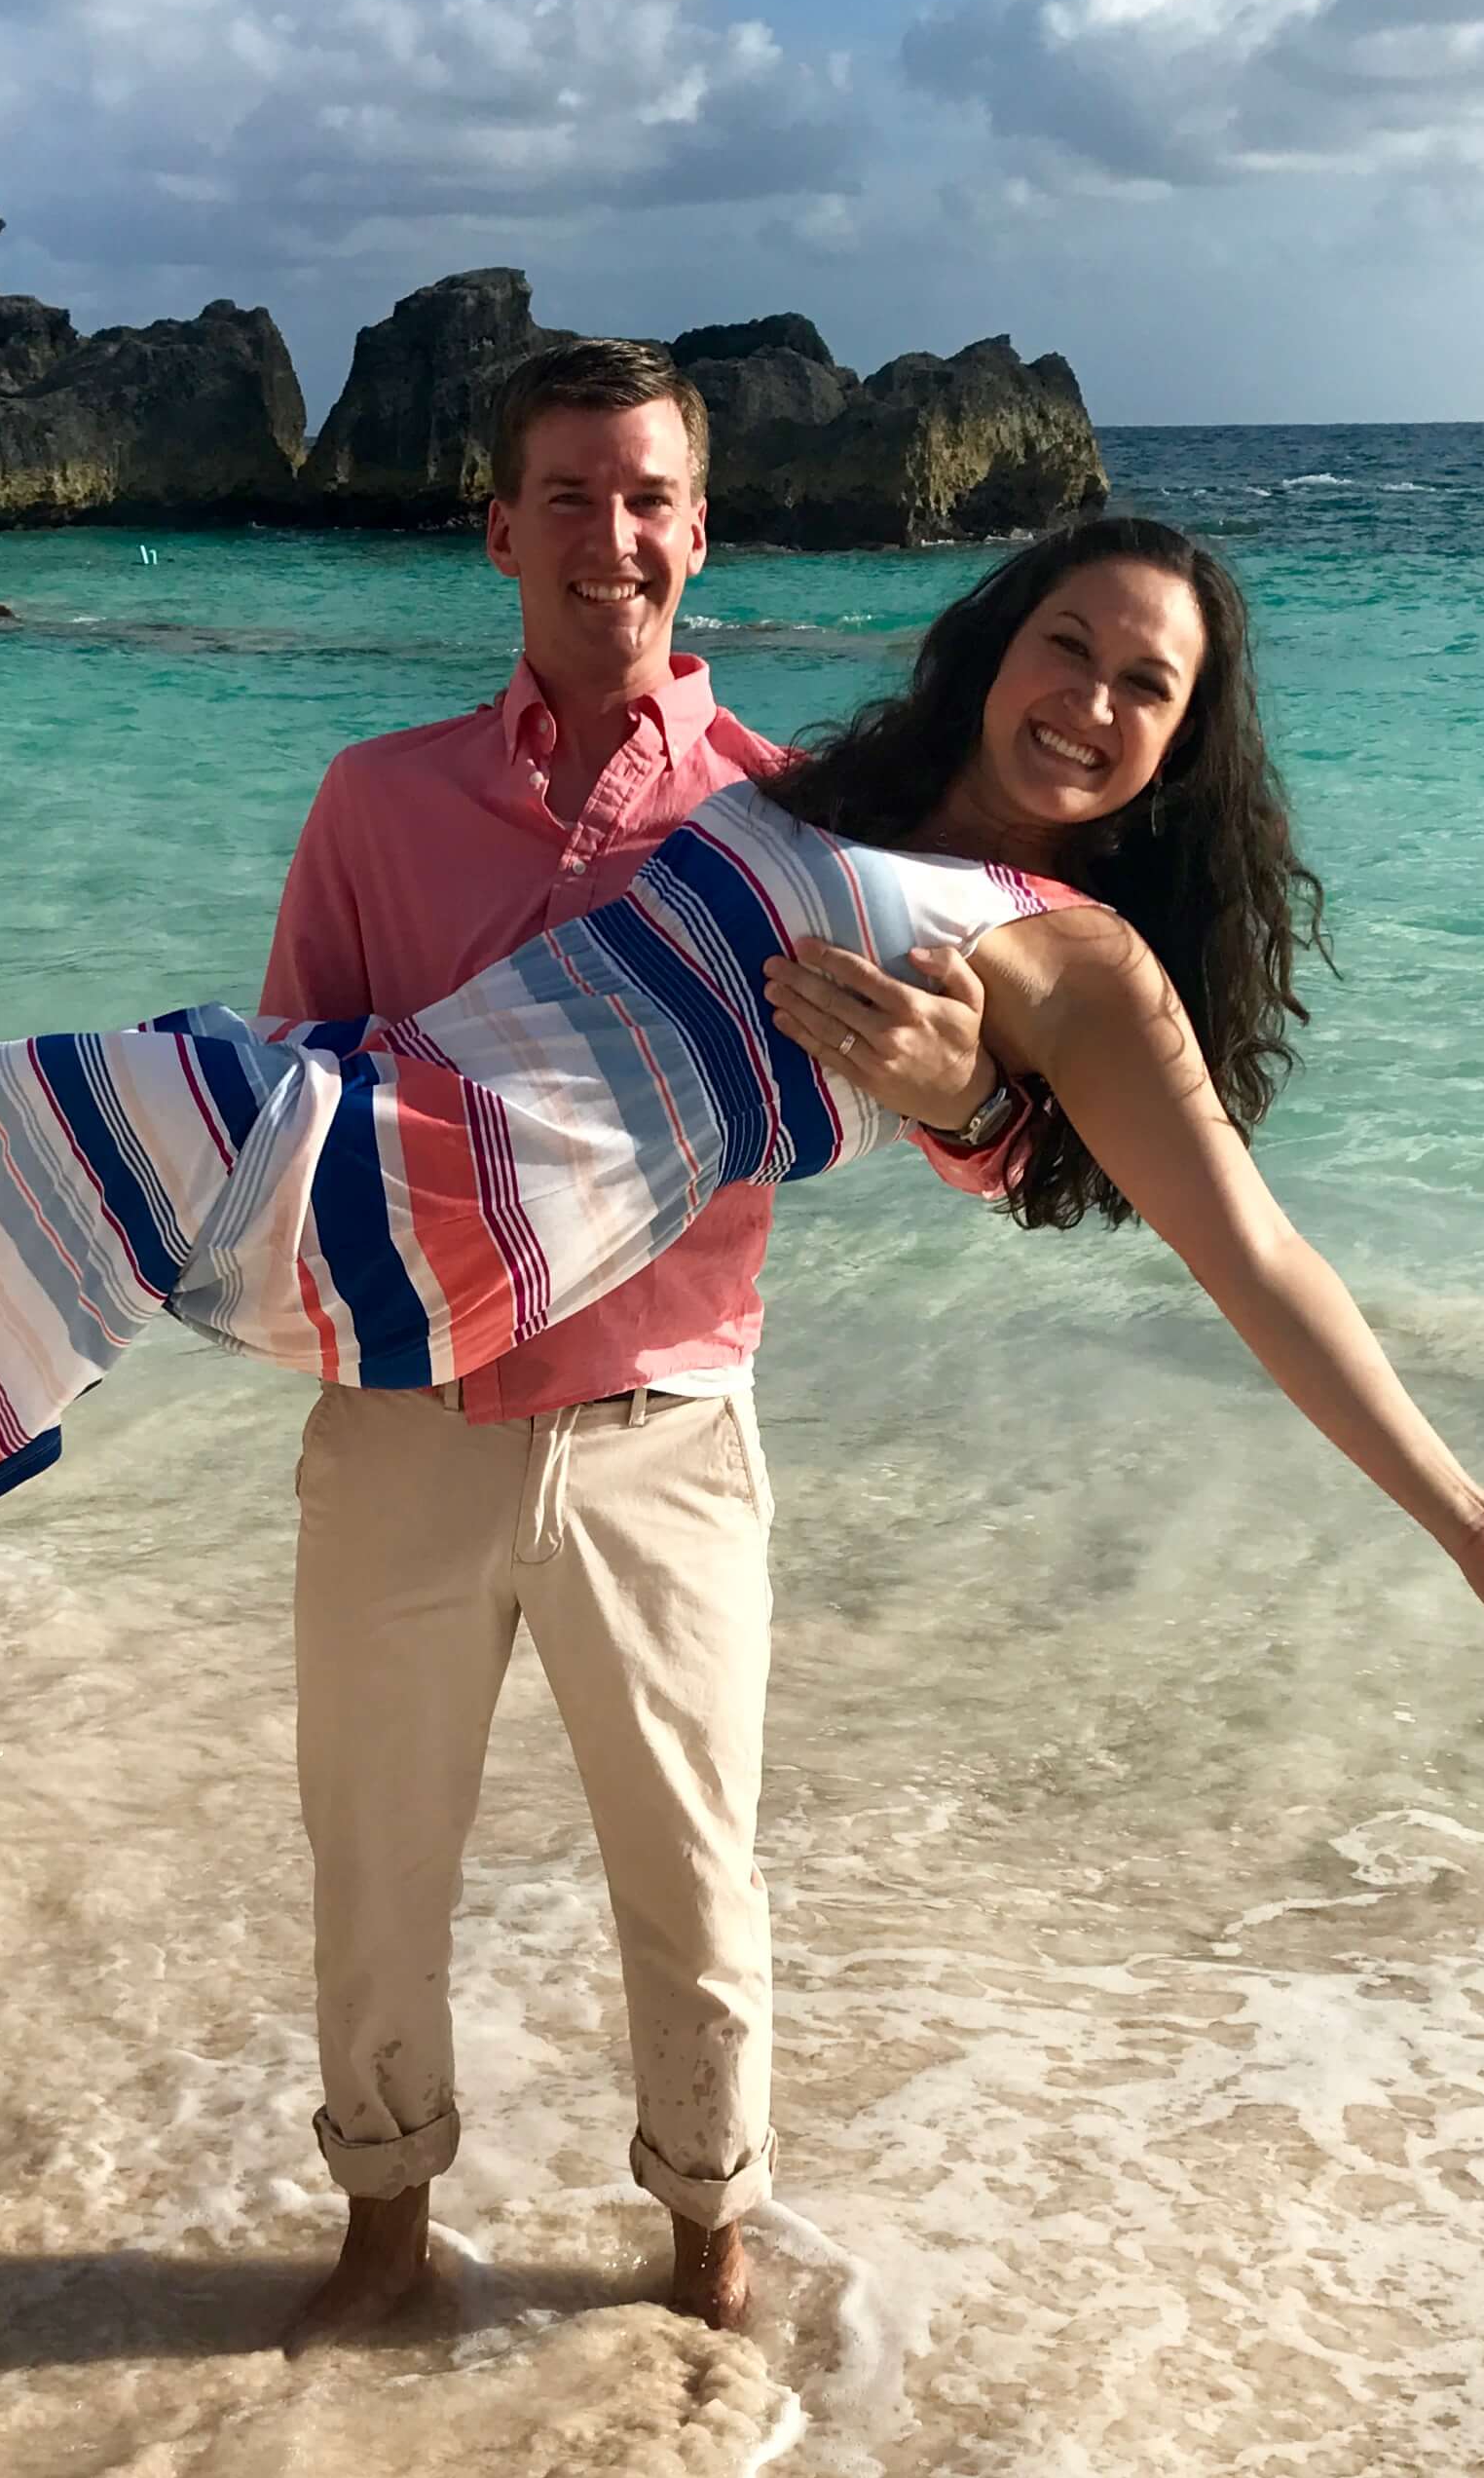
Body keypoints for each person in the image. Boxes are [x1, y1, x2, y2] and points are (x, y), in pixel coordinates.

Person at [0, 512, 1484, 2315]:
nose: (1090, 701)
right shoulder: (794, 786)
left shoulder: (1073, 957)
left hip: (469, 1227)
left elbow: (1243, 1249)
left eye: (1143, 687)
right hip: (394, 1184)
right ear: (997, 640)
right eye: (1069, 646)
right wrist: (931, 1075)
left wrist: (1462, 1508)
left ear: (1182, 747)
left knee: (2, 1122)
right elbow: (623, 755)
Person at [257, 341, 1014, 2349]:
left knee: (697, 1885)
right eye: (572, 496)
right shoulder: (375, 801)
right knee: (374, 1860)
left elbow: (976, 1142)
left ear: (702, 527)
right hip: (401, 1421)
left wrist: (957, 1091)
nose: (615, 535)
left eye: (650, 496)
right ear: (500, 529)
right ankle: (385, 2229)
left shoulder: (788, 822)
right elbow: (285, 1116)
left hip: (669, 1423)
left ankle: (707, 2243)